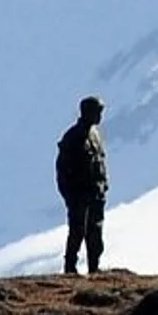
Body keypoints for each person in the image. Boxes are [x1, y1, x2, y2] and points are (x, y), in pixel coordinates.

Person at [55, 95, 108, 275]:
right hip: (79, 196)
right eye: (97, 112)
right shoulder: (72, 137)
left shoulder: (95, 136)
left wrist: (103, 186)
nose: (100, 116)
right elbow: (62, 170)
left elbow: (101, 162)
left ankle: (94, 267)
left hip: (96, 195)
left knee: (96, 233)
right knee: (77, 231)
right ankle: (70, 268)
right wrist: (70, 196)